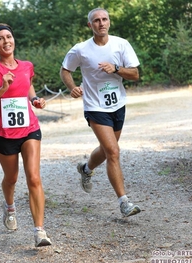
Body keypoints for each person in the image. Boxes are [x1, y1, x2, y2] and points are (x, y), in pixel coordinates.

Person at [60, 8, 141, 217]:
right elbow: (65, 70)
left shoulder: (121, 44)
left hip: (117, 104)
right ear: (90, 26)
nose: (101, 23)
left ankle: (85, 169)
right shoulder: (81, 49)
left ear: (109, 22)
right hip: (95, 106)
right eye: (96, 20)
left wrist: (116, 68)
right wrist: (72, 88)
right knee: (113, 151)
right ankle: (124, 202)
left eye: (104, 19)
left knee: (107, 151)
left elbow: (135, 74)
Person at [0, 23, 52, 247]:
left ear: (14, 40)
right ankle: (9, 207)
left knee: (34, 177)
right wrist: (2, 89)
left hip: (30, 129)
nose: (6, 41)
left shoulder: (27, 66)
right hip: (5, 135)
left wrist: (35, 100)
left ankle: (40, 231)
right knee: (11, 179)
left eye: (9, 36)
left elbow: (27, 90)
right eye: (0, 39)